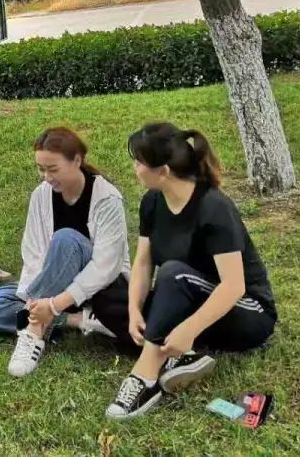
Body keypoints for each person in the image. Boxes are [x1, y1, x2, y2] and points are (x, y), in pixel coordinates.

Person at [105, 123, 277, 420]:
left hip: (246, 312)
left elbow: (234, 286)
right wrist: (134, 309)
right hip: (189, 302)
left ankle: (145, 377)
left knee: (174, 274)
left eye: (139, 162)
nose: (134, 168)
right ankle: (182, 355)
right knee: (109, 296)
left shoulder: (213, 207)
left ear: (163, 171)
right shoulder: (152, 202)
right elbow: (143, 262)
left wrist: (189, 328)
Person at [0, 127, 132, 376]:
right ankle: (78, 320)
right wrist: (36, 301)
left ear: (77, 161)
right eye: (41, 169)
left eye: (53, 169)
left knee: (65, 238)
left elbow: (106, 267)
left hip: (102, 289)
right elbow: (33, 254)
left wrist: (53, 304)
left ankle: (33, 332)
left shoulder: (107, 198)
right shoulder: (41, 195)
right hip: (56, 288)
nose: (46, 177)